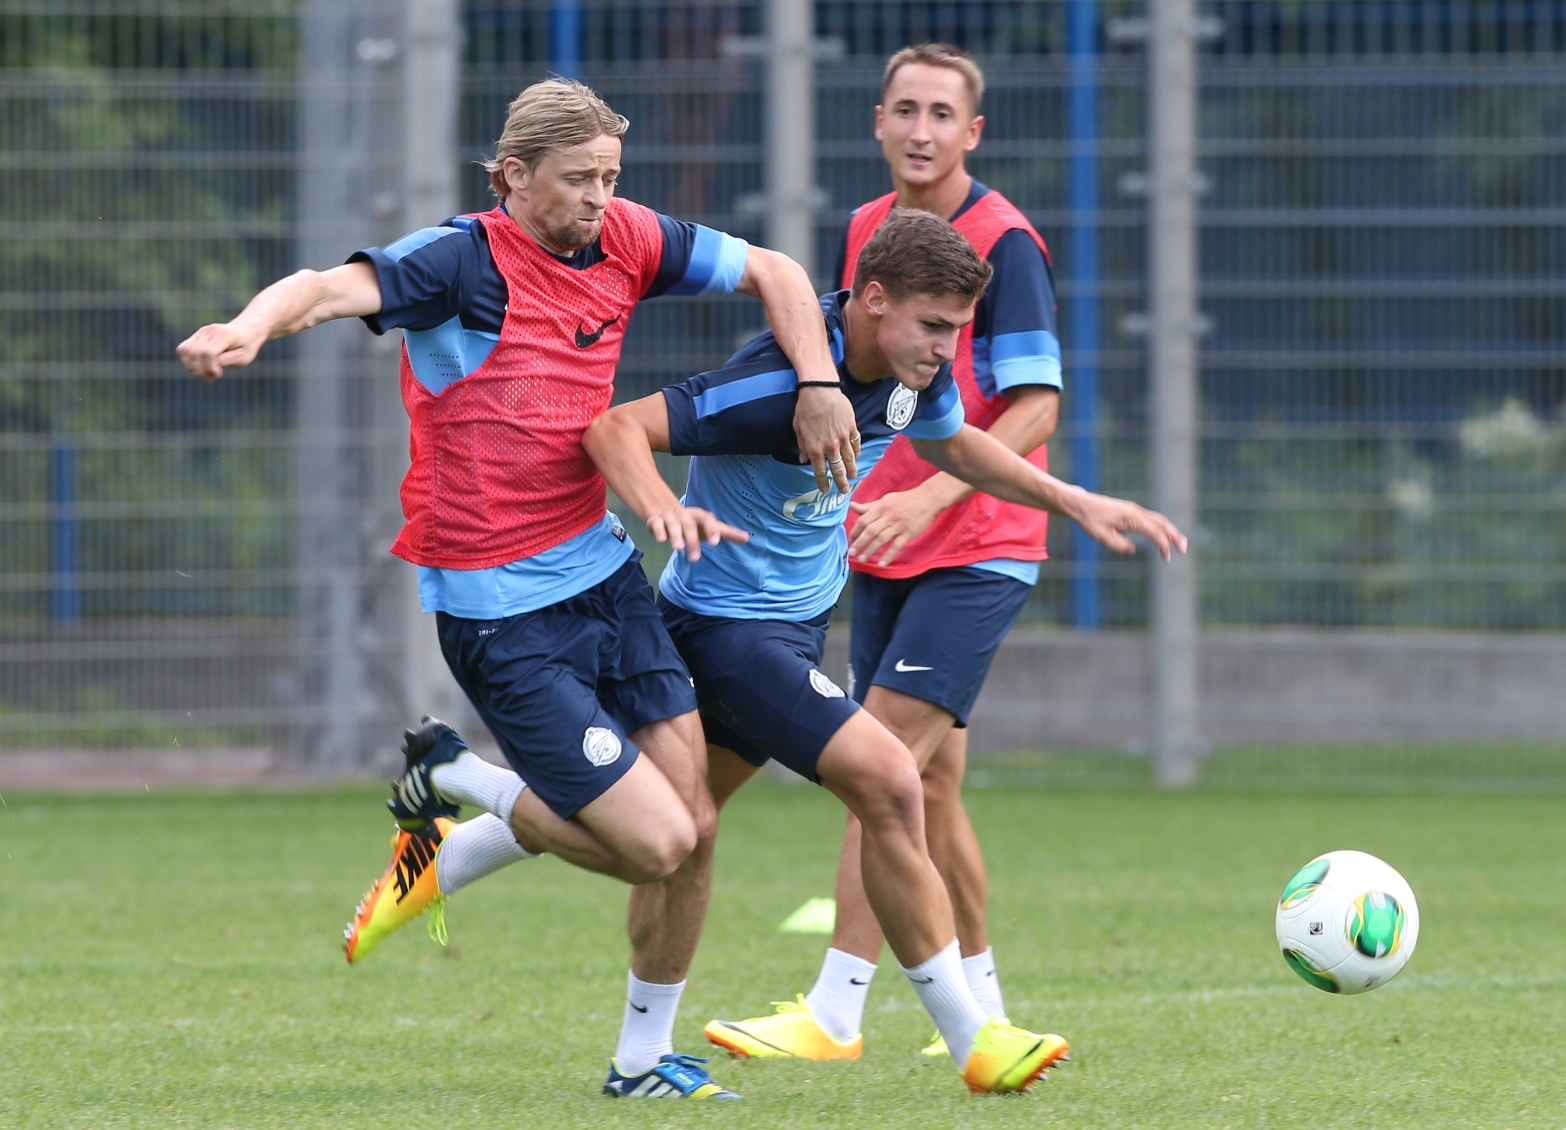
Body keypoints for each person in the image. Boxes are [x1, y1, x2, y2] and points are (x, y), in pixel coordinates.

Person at [175, 78, 858, 1101]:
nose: (598, 197)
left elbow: (778, 272)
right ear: (511, 176)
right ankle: (459, 777)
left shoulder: (626, 236)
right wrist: (247, 324)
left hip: (602, 572)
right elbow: (324, 286)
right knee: (657, 841)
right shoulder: (459, 261)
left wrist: (818, 383)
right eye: (578, 179)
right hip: (498, 608)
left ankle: (638, 1061)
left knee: (697, 826)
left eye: (610, 177)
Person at [583, 208, 1185, 1093]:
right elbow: (613, 428)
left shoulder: (900, 376)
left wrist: (1074, 500)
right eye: (934, 326)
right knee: (891, 780)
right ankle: (976, 1040)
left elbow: (953, 443)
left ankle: (466, 819)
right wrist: (661, 510)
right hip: (724, 636)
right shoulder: (779, 390)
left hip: (783, 631)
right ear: (872, 301)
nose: (948, 350)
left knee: (670, 831)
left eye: (959, 330)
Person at [707, 42, 1078, 1061]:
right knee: (932, 788)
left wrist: (933, 499)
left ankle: (836, 1008)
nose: (920, 128)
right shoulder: (872, 231)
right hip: (877, 544)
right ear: (876, 121)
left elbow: (1038, 405)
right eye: (903, 109)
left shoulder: (1005, 242)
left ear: (973, 131)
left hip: (977, 547)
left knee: (873, 765)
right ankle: (987, 1011)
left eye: (940, 113)